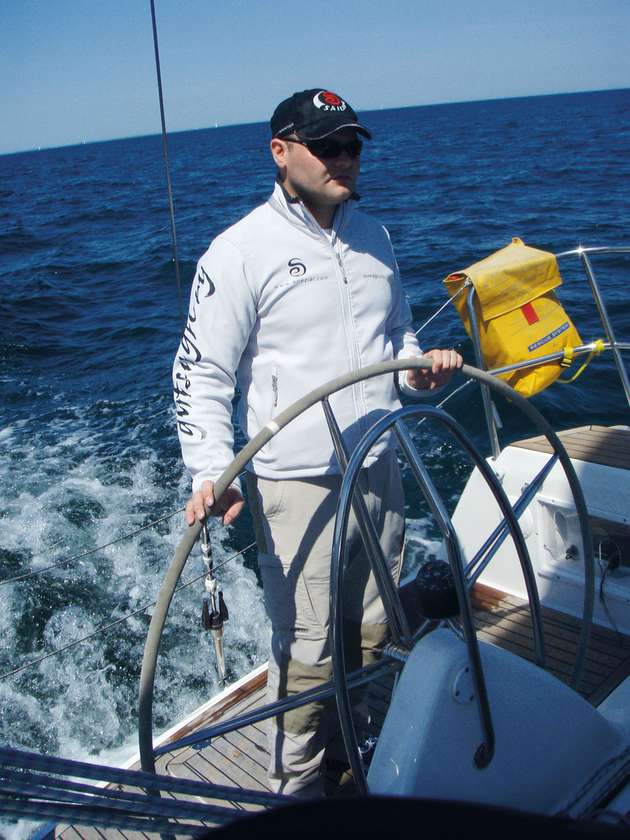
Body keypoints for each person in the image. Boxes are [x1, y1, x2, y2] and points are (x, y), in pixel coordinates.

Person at [173, 88, 462, 796]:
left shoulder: (376, 237)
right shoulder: (239, 251)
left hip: (378, 459)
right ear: (281, 151)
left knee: (373, 625)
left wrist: (422, 371)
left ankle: (350, 752)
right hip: (296, 481)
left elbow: (395, 339)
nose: (344, 159)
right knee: (306, 648)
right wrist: (213, 468)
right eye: (326, 145)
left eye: (352, 145)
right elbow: (200, 371)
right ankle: (295, 790)